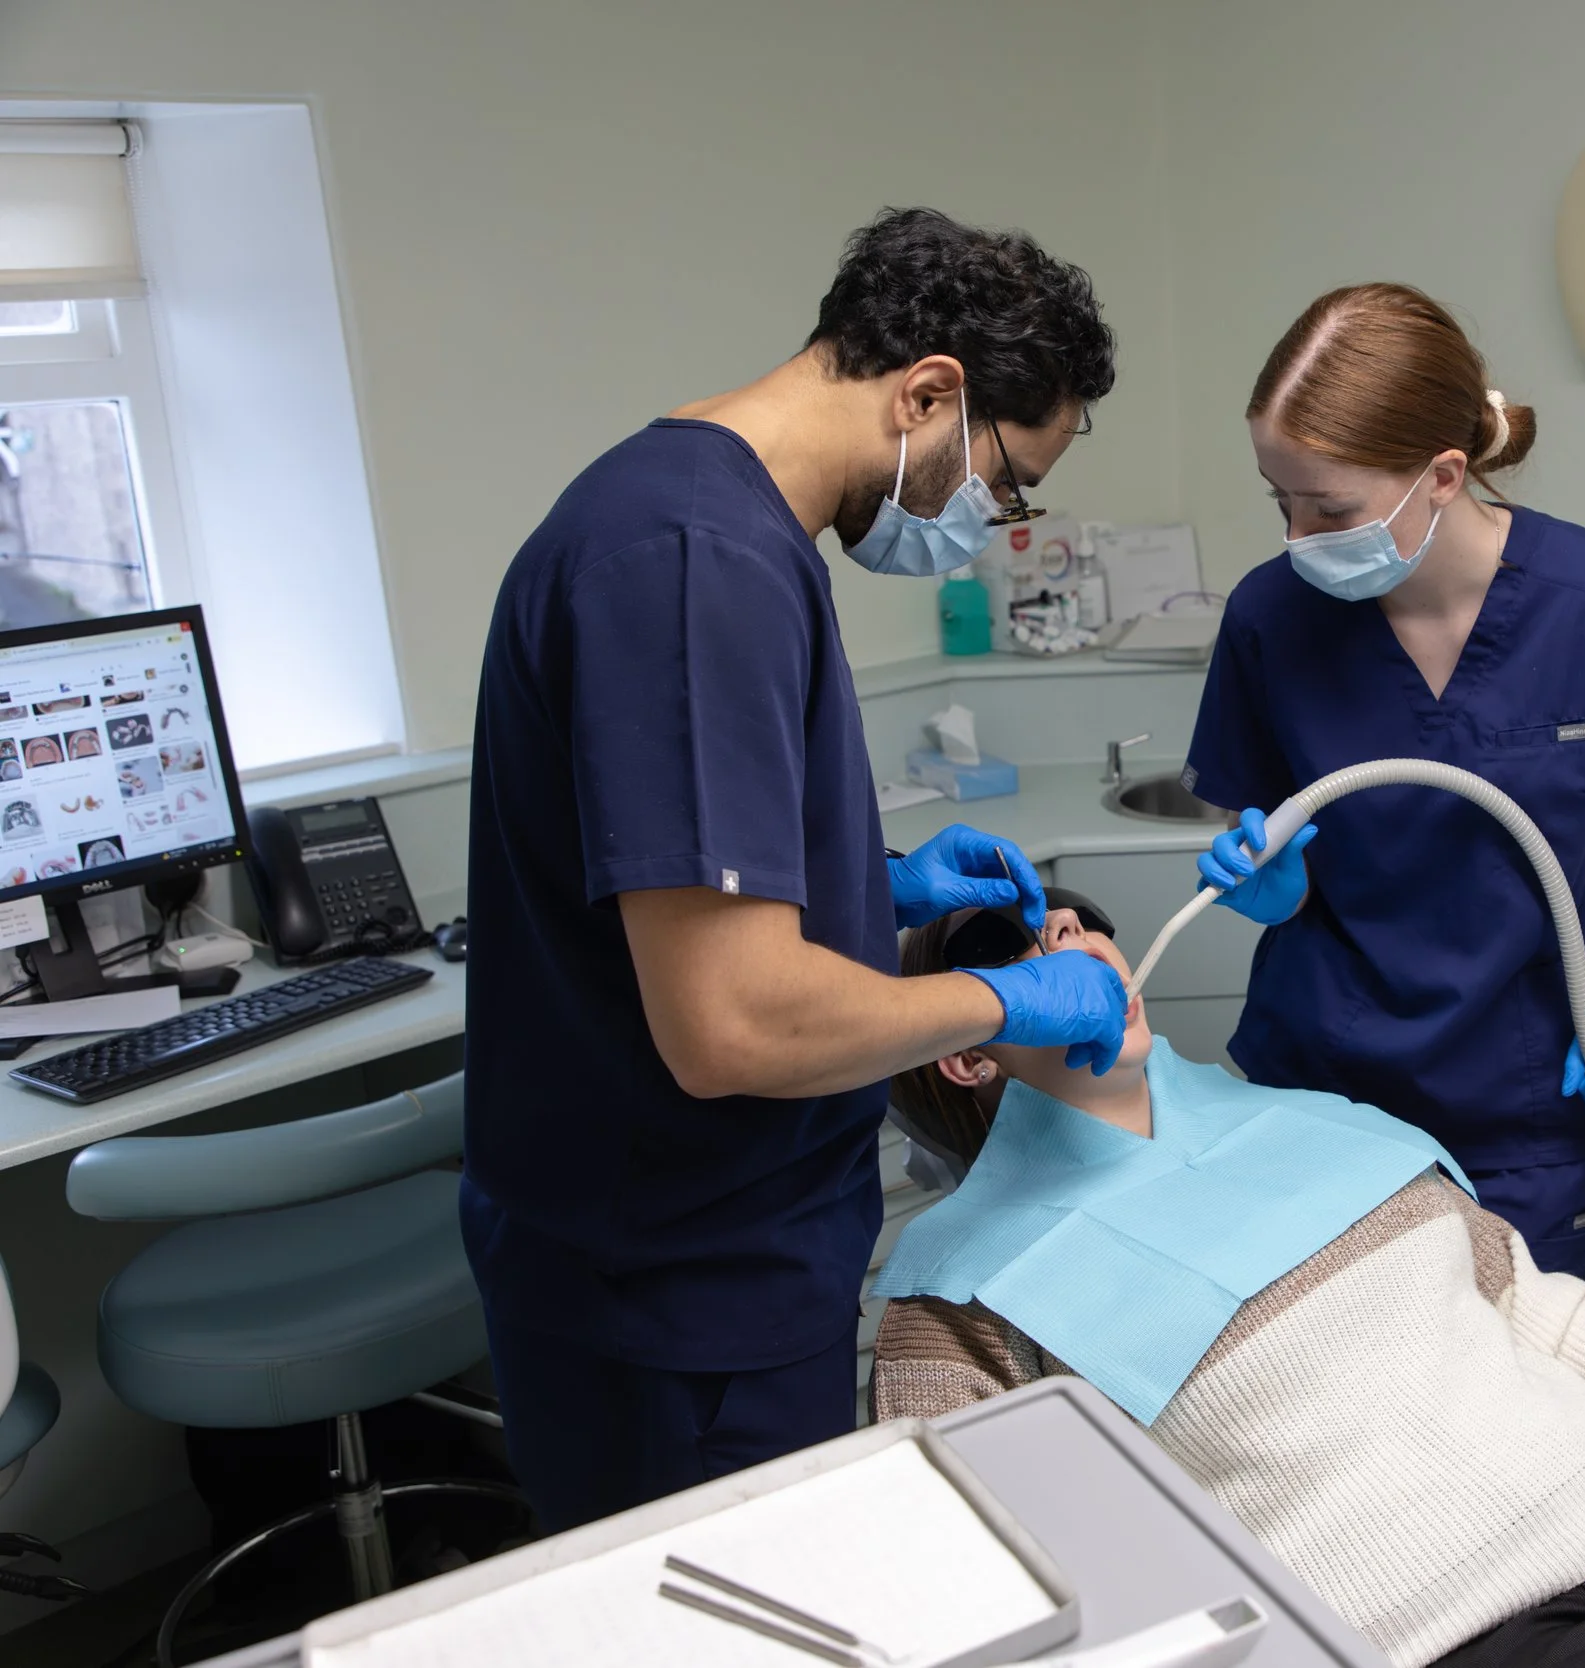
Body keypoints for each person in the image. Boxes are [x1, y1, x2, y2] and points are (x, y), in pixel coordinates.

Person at [873, 901, 1585, 1668]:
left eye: (1072, 924)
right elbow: (1025, 1584)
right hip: (1450, 1626)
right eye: (1023, 955)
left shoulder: (1310, 1123)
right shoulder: (963, 1299)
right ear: (967, 1048)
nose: (1074, 943)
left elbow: (1530, 1310)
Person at [462, 208, 1136, 1531]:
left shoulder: (720, 526)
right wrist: (1013, 1006)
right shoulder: (692, 566)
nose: (995, 525)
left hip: (710, 1257)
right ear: (929, 391)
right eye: (1004, 483)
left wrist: (878, 888)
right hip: (675, 1292)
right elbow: (733, 1024)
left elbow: (668, 887)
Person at [1183, 283, 1585, 1278]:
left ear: (1443, 474)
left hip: (1519, 1109)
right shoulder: (1272, 617)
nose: (1299, 536)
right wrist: (1270, 876)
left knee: (1514, 1401)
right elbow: (1259, 812)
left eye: (1331, 507)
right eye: (1281, 501)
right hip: (1316, 1096)